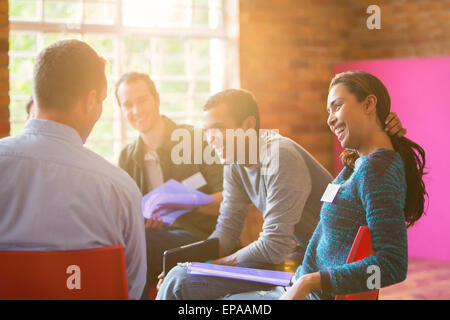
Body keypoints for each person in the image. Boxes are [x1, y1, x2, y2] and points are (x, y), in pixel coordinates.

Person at [223, 71, 426, 300]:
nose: (329, 119)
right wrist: (300, 279)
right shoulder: (355, 166)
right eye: (328, 112)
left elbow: (392, 265)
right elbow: (319, 234)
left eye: (337, 106)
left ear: (369, 104)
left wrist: (310, 282)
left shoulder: (376, 172)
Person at [0, 40, 147, 299]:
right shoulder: (119, 188)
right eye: (101, 101)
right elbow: (132, 288)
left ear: (36, 96)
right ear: (91, 101)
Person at [156, 88, 335, 300]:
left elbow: (275, 246)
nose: (210, 139)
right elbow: (227, 232)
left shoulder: (280, 156)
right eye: (206, 131)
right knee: (178, 276)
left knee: (185, 283)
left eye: (218, 128)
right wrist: (188, 262)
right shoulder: (235, 165)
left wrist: (213, 265)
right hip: (301, 257)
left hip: (326, 269)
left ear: (247, 125)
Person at [115, 72, 224, 298]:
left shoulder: (195, 139)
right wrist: (143, 221)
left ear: (156, 99)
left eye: (142, 100)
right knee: (126, 241)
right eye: (128, 104)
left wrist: (187, 202)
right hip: (157, 240)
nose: (136, 110)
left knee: (138, 245)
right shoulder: (127, 157)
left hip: (203, 237)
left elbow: (231, 200)